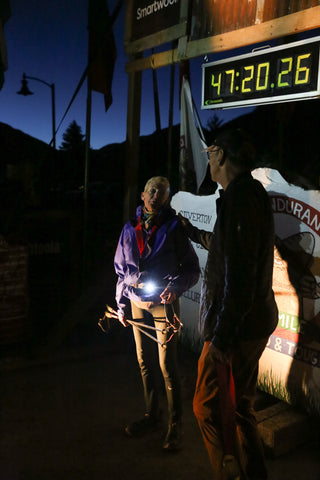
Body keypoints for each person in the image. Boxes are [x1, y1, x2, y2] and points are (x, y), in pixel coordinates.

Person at [179, 128, 278, 479]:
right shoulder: (245, 196)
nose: (207, 161)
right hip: (251, 322)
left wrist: (221, 338)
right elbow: (228, 250)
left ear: (220, 155)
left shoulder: (240, 198)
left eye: (208, 154)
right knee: (239, 409)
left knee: (205, 406)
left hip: (236, 328)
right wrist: (190, 231)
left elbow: (239, 279)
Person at [114, 176, 200, 451]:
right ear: (142, 194)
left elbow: (192, 269)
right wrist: (121, 304)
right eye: (152, 190)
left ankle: (176, 424)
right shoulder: (129, 229)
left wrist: (175, 289)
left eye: (162, 193)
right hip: (136, 300)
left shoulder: (174, 228)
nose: (155, 195)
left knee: (167, 365)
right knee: (143, 360)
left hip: (164, 301)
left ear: (166, 200)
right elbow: (120, 270)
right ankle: (153, 415)